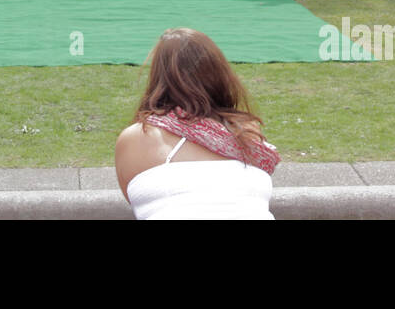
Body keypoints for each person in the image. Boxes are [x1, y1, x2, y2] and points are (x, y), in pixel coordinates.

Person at [115, 28, 280, 220]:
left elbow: (136, 201)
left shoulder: (135, 138)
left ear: (158, 76)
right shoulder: (246, 130)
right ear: (219, 73)